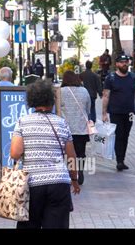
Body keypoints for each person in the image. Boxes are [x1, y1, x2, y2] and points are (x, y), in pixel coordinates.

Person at [10, 79, 81, 229]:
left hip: (33, 184)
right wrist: (74, 179)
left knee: (29, 224)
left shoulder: (23, 122)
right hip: (59, 183)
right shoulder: (62, 123)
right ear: (51, 100)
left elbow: (15, 153)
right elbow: (71, 157)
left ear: (32, 100)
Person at [102, 55, 135, 171]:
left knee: (126, 135)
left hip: (129, 113)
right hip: (115, 112)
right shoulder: (111, 78)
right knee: (119, 135)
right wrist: (104, 113)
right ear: (117, 64)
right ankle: (119, 161)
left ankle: (122, 159)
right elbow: (106, 96)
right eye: (122, 62)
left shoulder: (133, 77)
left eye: (126, 62)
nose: (124, 64)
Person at [60, 71, 91, 185]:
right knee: (81, 152)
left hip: (66, 129)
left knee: (67, 153)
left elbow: (57, 110)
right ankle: (80, 171)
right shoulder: (84, 91)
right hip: (81, 129)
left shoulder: (60, 92)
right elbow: (88, 108)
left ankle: (71, 173)